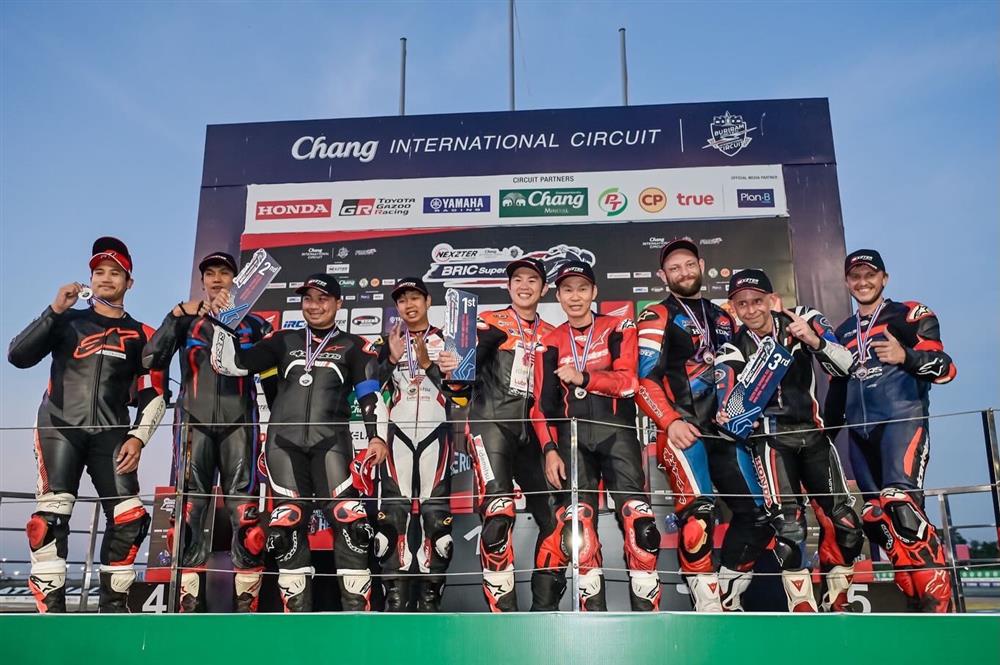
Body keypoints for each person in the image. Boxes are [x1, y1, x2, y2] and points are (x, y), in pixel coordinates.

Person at [209, 273, 388, 612]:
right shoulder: (282, 340)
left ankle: (357, 622)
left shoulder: (355, 346)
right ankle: (297, 623)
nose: (314, 306)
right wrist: (225, 322)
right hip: (283, 445)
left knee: (352, 524)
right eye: (308, 299)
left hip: (331, 444)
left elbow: (369, 395)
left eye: (322, 299)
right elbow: (230, 364)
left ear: (338, 303)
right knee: (284, 528)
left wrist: (377, 436)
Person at [8, 237, 166, 613]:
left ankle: (112, 611)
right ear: (90, 279)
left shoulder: (143, 334)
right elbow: (17, 355)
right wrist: (54, 309)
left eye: (115, 273)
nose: (106, 278)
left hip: (113, 435)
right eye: (99, 272)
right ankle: (52, 616)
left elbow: (155, 392)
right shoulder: (66, 320)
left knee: (130, 519)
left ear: (130, 282)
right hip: (58, 428)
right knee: (48, 521)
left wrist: (139, 438)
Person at [715, 269, 863, 612]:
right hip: (771, 441)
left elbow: (846, 366)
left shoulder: (803, 319)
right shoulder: (731, 347)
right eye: (742, 304)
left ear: (771, 299)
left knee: (846, 522)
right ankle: (801, 605)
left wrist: (814, 341)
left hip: (814, 434)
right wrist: (728, 414)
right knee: (790, 526)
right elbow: (727, 405)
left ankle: (837, 598)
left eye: (757, 301)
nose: (751, 310)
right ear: (734, 307)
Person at [635, 238, 769, 612]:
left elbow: (741, 375)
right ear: (662, 275)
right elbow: (644, 380)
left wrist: (742, 413)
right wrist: (671, 421)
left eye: (689, 265)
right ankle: (706, 604)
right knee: (699, 518)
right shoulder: (656, 315)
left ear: (702, 266)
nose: (683, 272)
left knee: (760, 516)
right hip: (685, 432)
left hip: (726, 432)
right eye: (674, 268)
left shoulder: (724, 317)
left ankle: (728, 592)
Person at [825, 249, 957, 612]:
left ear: (884, 278)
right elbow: (837, 390)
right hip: (860, 435)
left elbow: (946, 369)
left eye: (870, 275)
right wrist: (824, 437)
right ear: (847, 282)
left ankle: (938, 600)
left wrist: (905, 357)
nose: (863, 282)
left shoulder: (909, 314)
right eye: (855, 276)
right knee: (875, 517)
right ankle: (914, 597)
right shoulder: (843, 331)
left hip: (902, 423)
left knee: (902, 507)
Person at [142, 251, 273, 612]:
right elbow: (150, 358)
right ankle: (190, 602)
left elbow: (275, 376)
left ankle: (246, 604)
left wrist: (280, 418)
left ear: (236, 280)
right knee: (187, 513)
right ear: (202, 282)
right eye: (210, 274)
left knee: (246, 517)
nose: (217, 279)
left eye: (224, 273)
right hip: (193, 424)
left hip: (240, 424)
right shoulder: (186, 322)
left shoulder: (255, 324)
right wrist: (175, 314)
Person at [533, 260, 661, 611]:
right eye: (567, 290)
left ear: (594, 292)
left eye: (582, 289)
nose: (575, 297)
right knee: (579, 530)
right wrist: (549, 449)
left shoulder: (617, 327)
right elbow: (542, 406)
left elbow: (629, 382)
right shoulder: (550, 342)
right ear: (558, 296)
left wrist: (584, 378)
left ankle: (647, 617)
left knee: (640, 523)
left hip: (617, 433)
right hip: (571, 441)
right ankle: (593, 618)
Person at [467, 257, 563, 612]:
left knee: (559, 521)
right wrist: (455, 363)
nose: (524, 286)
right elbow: (460, 376)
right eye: (518, 279)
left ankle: (544, 616)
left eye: (532, 280)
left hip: (535, 434)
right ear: (508, 286)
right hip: (491, 425)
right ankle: (502, 617)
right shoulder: (487, 322)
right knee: (498, 514)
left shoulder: (553, 334)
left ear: (544, 288)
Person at [374, 277, 464, 612]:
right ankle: (395, 602)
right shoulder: (387, 341)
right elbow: (366, 388)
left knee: (438, 525)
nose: (408, 305)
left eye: (415, 298)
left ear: (428, 301)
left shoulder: (449, 341)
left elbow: (462, 393)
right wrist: (389, 359)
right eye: (402, 300)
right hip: (396, 437)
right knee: (391, 523)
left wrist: (428, 365)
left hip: (435, 435)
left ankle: (430, 601)